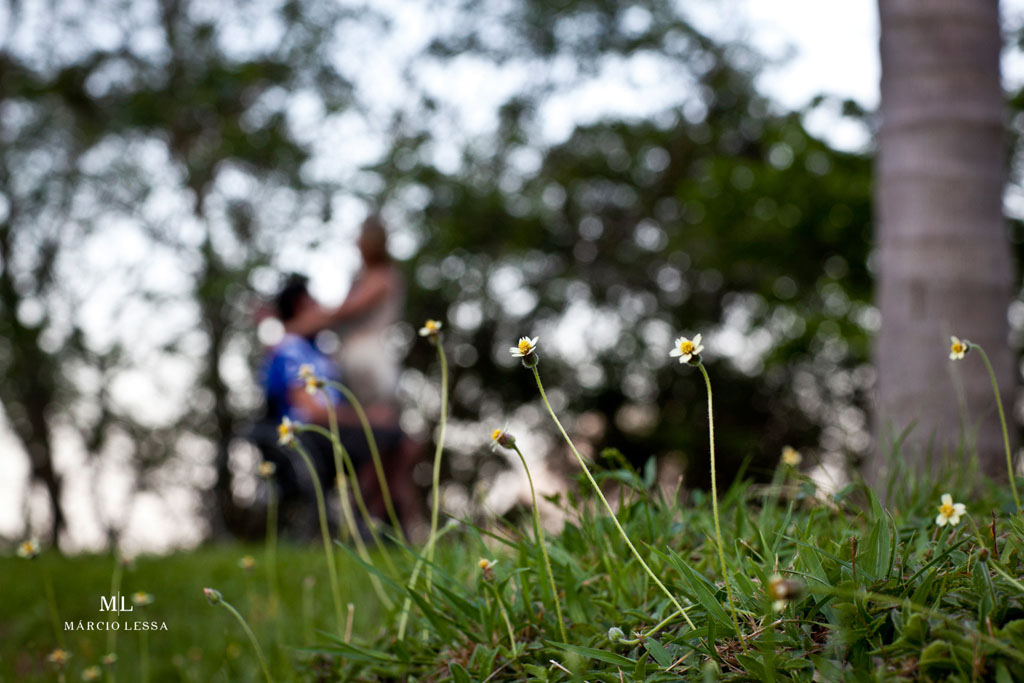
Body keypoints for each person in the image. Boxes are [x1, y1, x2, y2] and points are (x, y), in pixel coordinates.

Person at [288, 216, 422, 535]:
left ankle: (384, 521)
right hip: (358, 364)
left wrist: (292, 327)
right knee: (376, 444)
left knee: (381, 440)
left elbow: (342, 312)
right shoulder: (365, 277)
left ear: (371, 242)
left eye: (360, 238)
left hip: (368, 365)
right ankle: (379, 523)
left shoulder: (381, 278)